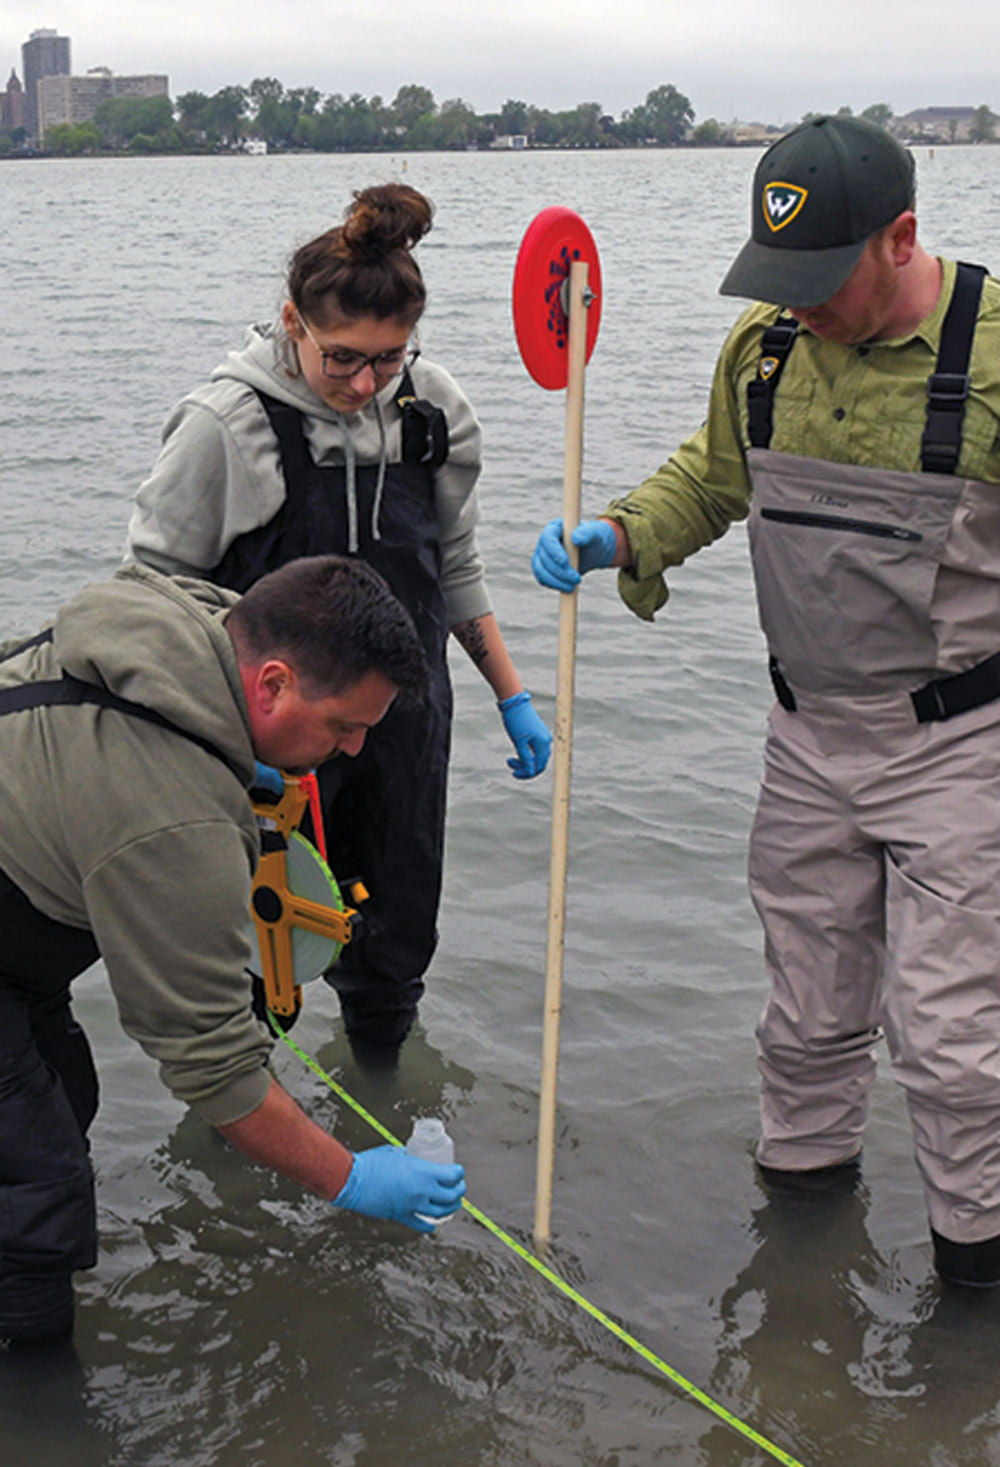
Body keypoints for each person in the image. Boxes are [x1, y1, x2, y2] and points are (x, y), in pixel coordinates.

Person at [531, 115, 1000, 1288]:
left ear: (900, 238)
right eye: (778, 279)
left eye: (820, 278)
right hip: (806, 737)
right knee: (805, 1016)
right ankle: (797, 1253)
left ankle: (973, 1295)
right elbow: (712, 477)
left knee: (951, 1041)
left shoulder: (992, 352)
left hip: (962, 743)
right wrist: (620, 534)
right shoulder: (766, 348)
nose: (797, 304)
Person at [126, 182, 551, 1067]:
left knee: (391, 952)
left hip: (400, 735)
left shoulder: (433, 414)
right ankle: (242, 1119)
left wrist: (512, 696)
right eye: (343, 359)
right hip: (260, 751)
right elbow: (153, 595)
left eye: (389, 359)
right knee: (251, 970)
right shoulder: (227, 426)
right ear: (294, 321)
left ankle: (382, 1102)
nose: (364, 384)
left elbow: (455, 567)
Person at [0, 555, 466, 1348]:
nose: (356, 750)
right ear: (273, 683)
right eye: (343, 726)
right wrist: (352, 1177)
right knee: (38, 1193)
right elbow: (212, 1065)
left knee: (63, 1096)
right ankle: (37, 1389)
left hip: (18, 929)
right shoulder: (170, 812)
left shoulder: (193, 621)